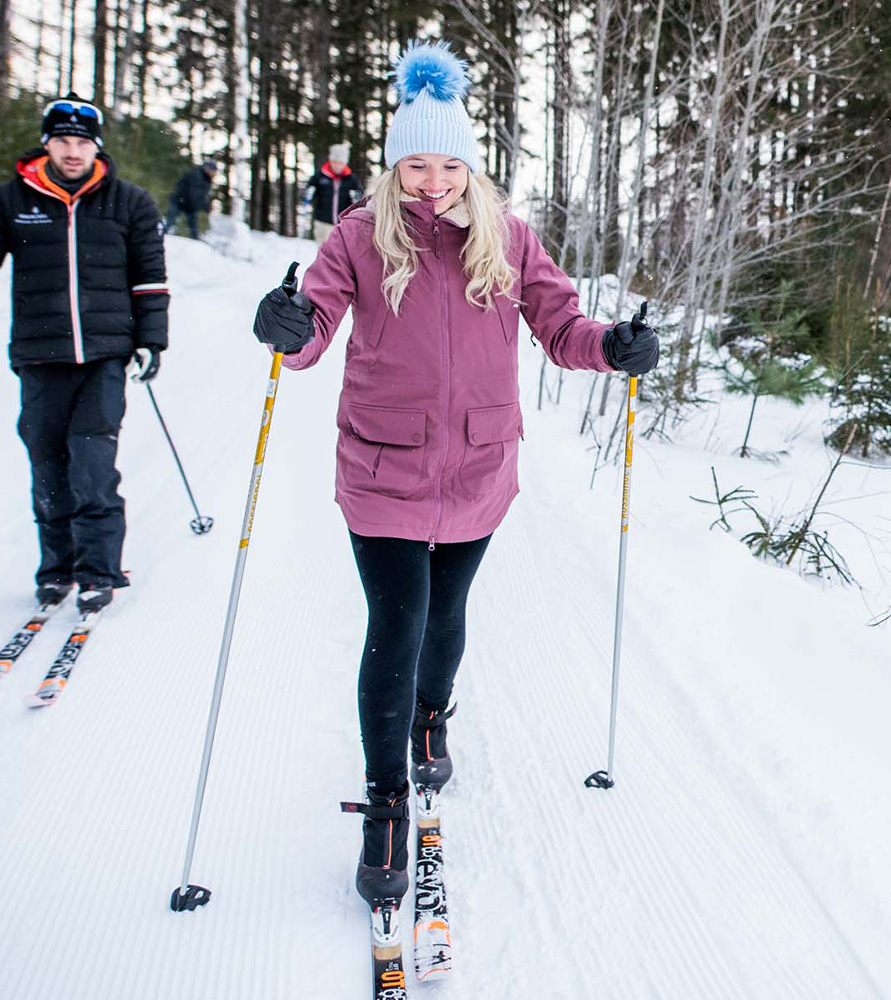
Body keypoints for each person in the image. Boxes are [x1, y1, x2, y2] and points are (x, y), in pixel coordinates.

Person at [253, 42, 659, 907]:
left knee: (445, 620)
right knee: (395, 627)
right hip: (383, 467)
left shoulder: (508, 237)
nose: (431, 182)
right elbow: (317, 323)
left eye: (447, 165)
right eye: (415, 165)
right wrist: (289, 325)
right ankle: (386, 804)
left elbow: (561, 327)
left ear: (468, 168)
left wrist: (614, 348)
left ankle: (433, 716)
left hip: (478, 466)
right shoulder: (359, 235)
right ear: (394, 164)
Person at [0, 92, 169, 614]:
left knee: (91, 461)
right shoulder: (11, 200)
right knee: (47, 465)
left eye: (83, 142)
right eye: (63, 141)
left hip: (104, 354)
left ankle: (99, 570)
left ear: (97, 146)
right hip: (40, 354)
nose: (73, 151)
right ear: (47, 143)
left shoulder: (128, 201)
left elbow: (150, 278)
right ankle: (58, 568)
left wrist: (151, 341)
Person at [304, 143, 363, 245]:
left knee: (339, 254)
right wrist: (308, 194)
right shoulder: (320, 176)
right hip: (323, 222)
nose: (337, 166)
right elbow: (308, 192)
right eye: (335, 162)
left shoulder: (351, 179)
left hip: (342, 223)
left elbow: (359, 197)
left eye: (340, 163)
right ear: (330, 161)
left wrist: (356, 198)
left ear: (345, 163)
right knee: (324, 252)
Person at [166, 159, 217, 239]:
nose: (214, 173)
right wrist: (205, 206)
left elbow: (203, 196)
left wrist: (207, 206)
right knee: (170, 222)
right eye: (213, 170)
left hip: (190, 205)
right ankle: (163, 235)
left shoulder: (207, 180)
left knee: (193, 227)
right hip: (179, 200)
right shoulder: (196, 175)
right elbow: (195, 194)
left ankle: (195, 239)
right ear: (207, 169)